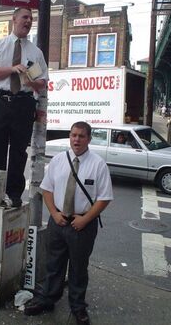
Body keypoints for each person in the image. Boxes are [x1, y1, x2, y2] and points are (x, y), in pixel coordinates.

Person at [24, 121, 113, 325]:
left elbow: (104, 198)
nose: (76, 139)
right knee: (53, 264)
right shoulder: (58, 160)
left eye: (81, 136)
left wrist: (85, 219)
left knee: (78, 268)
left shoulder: (98, 164)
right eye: (73, 135)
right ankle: (48, 299)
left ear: (89, 139)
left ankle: (78, 307)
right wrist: (54, 214)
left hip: (83, 224)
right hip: (58, 222)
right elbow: (47, 189)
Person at [0, 7, 48, 208]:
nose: (28, 21)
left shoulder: (35, 52)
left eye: (31, 18)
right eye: (25, 17)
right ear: (14, 20)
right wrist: (12, 69)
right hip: (0, 103)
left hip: (23, 104)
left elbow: (43, 81)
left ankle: (14, 195)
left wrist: (32, 82)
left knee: (19, 152)